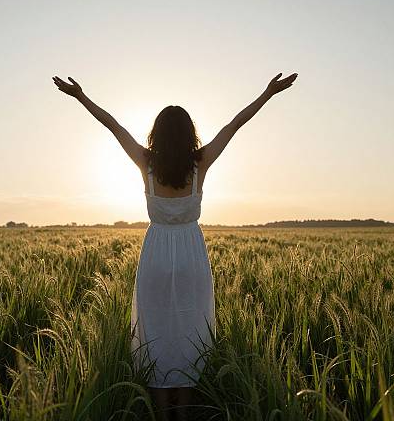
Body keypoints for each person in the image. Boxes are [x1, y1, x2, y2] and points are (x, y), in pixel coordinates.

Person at [52, 72, 298, 420]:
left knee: (156, 333)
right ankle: (184, 413)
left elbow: (113, 125)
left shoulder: (145, 163)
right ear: (188, 135)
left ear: (157, 134)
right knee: (188, 332)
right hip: (191, 257)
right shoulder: (201, 163)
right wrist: (268, 93)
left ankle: (158, 412)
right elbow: (235, 123)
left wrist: (81, 96)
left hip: (155, 257)